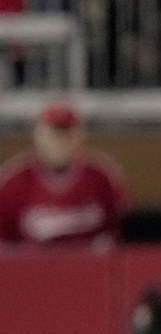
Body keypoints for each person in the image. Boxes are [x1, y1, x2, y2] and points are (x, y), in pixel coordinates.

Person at [0, 102, 128, 246]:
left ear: (79, 136)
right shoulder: (14, 180)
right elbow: (5, 243)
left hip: (88, 266)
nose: (59, 141)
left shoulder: (102, 177)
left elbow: (116, 232)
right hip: (33, 267)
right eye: (54, 134)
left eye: (66, 134)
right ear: (38, 136)